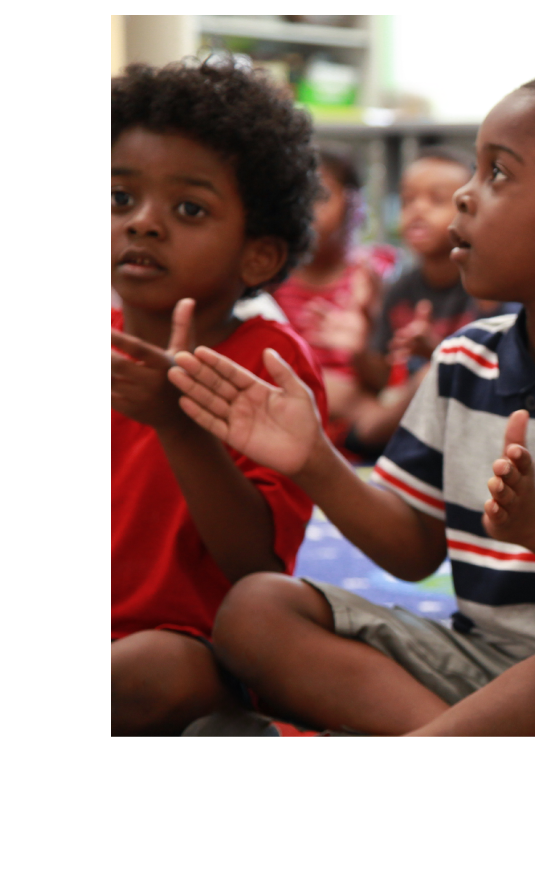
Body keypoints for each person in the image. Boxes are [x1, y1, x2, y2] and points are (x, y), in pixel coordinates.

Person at [171, 70, 535, 737]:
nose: (465, 197)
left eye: (498, 173)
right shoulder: (464, 356)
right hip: (479, 667)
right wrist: (315, 460)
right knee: (256, 610)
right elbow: (413, 549)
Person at [111, 58, 327, 735]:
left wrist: (178, 426)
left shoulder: (268, 363)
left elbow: (257, 566)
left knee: (151, 670)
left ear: (258, 256)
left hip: (208, 651)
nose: (142, 224)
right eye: (120, 198)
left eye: (189, 209)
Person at [338, 148, 482, 459]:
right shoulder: (400, 287)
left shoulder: (482, 285)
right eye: (407, 200)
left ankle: (365, 435)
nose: (417, 210)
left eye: (437, 200)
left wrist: (434, 351)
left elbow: (482, 372)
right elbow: (381, 379)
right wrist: (363, 331)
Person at [271, 147, 396, 458]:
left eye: (321, 196)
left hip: (355, 445)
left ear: (354, 204)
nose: (308, 210)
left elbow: (385, 384)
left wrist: (360, 352)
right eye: (298, 198)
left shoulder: (372, 276)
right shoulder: (271, 278)